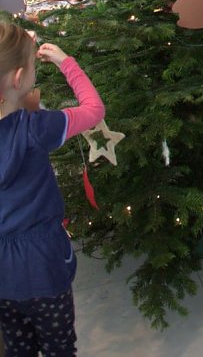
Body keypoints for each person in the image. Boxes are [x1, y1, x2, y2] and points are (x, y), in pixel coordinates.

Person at [0, 23, 105, 355]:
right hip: (44, 265)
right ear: (19, 78)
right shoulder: (36, 128)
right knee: (60, 347)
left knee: (19, 348)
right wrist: (65, 63)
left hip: (3, 278)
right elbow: (93, 110)